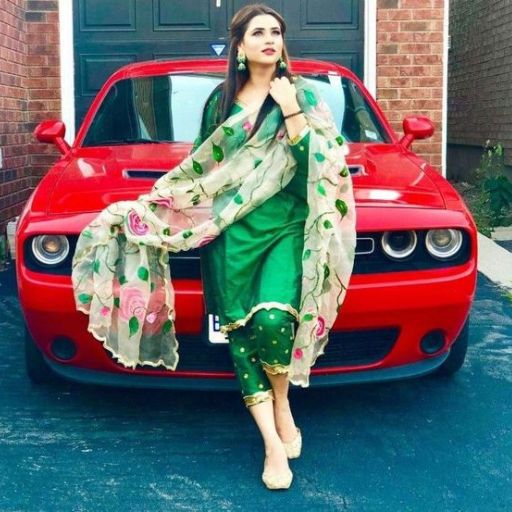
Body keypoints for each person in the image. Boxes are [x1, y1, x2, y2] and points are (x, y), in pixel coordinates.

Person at [72, 3, 356, 491]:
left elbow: (322, 167)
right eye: (258, 32)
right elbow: (204, 173)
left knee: (272, 321)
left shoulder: (305, 96)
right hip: (229, 234)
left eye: (276, 32)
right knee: (242, 340)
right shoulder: (220, 104)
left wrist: (289, 107)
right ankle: (272, 443)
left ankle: (284, 402)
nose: (270, 38)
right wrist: (158, 207)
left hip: (286, 227)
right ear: (240, 47)